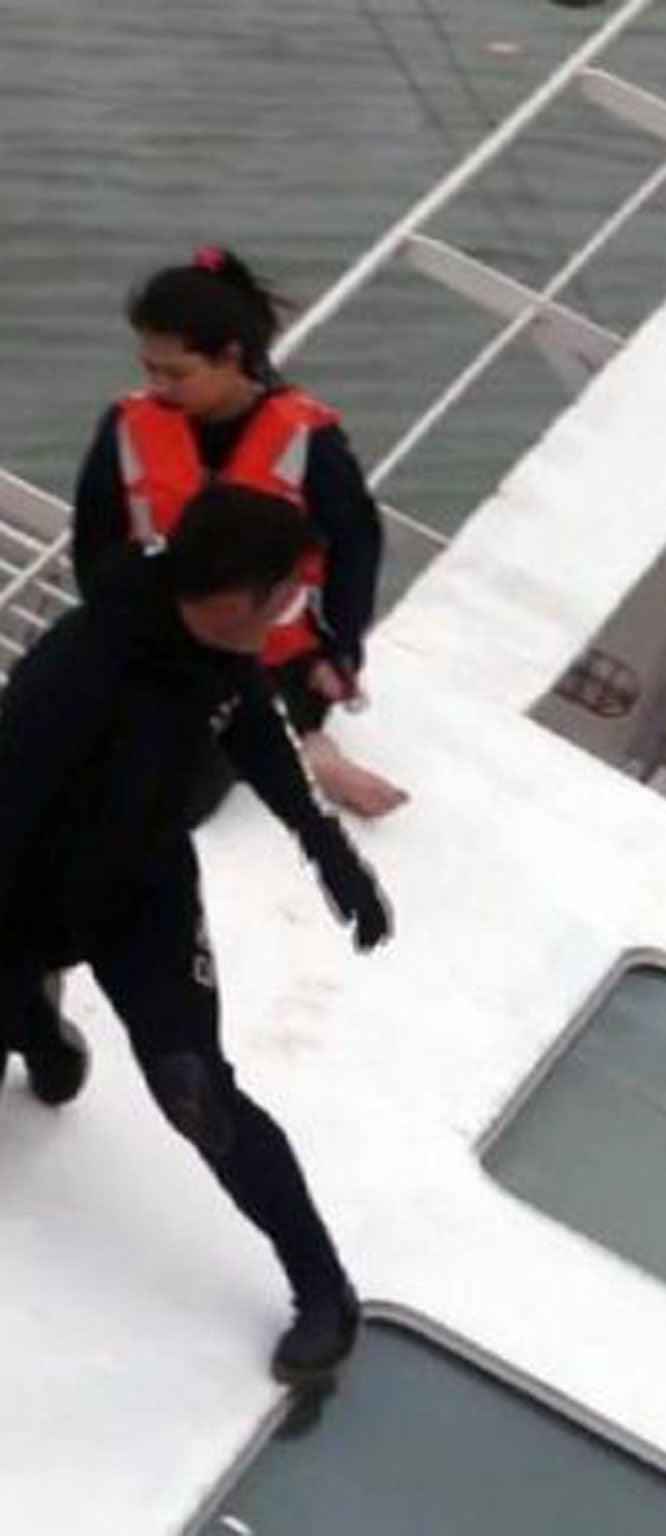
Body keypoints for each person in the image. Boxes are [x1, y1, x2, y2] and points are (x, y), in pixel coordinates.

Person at [0, 487, 391, 1384]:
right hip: (22, 890)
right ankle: (38, 1031)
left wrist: (327, 848)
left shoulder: (217, 646)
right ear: (230, 597)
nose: (290, 618)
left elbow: (252, 727)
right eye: (286, 598)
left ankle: (323, 1289)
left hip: (142, 897)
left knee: (195, 1092)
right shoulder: (80, 672)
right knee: (16, 1007)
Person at [72, 246, 407, 820]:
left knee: (182, 769)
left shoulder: (310, 441)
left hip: (268, 651)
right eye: (148, 368)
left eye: (176, 373)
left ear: (231, 358)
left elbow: (355, 544)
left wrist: (340, 648)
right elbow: (94, 542)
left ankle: (310, 748)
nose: (157, 385)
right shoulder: (126, 426)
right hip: (154, 633)